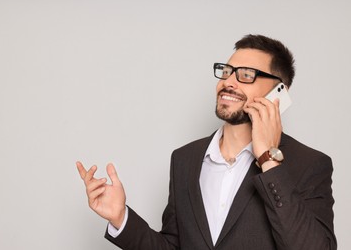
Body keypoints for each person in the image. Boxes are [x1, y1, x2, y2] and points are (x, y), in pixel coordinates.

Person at [76, 34, 337, 250]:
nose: (228, 82)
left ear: (278, 93)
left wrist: (268, 159)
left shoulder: (309, 164)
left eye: (246, 74)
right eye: (227, 71)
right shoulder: (185, 159)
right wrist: (121, 219)